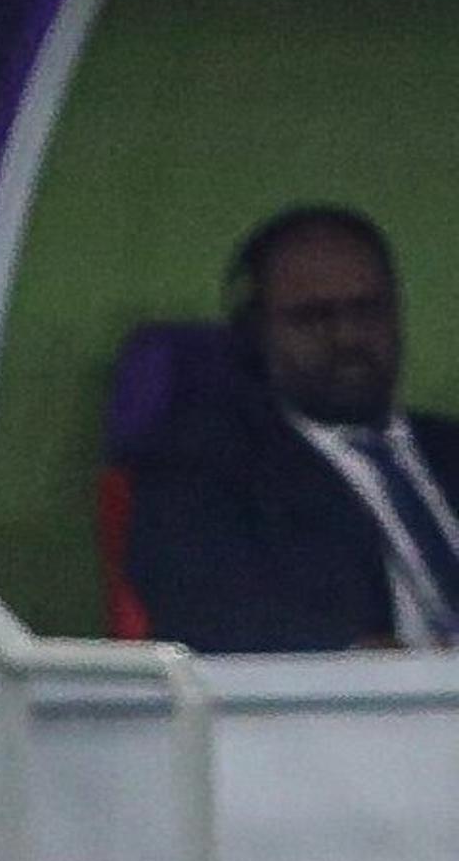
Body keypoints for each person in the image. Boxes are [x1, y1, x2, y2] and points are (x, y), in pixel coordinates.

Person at [119, 205, 459, 652]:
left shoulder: (448, 448)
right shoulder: (201, 470)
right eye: (313, 318)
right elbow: (211, 616)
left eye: (367, 310)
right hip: (353, 713)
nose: (347, 338)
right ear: (256, 333)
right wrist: (389, 662)